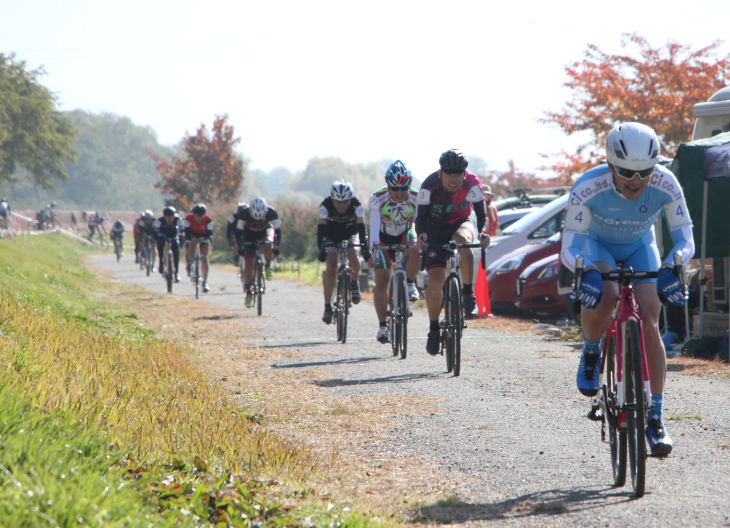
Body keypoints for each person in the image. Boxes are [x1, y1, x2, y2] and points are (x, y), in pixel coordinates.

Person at [561, 122, 695, 456]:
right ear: (610, 166)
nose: (636, 181)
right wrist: (586, 269)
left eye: (644, 172)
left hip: (639, 246)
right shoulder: (588, 186)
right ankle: (592, 350)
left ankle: (655, 416)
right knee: (606, 294)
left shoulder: (666, 183)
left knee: (650, 315)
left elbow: (686, 239)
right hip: (598, 246)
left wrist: (672, 265)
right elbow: (569, 248)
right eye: (626, 172)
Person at [415, 149, 490, 355]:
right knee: (436, 280)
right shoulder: (429, 185)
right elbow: (420, 217)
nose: (453, 178)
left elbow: (480, 213)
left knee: (464, 241)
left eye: (458, 173)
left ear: (464, 173)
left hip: (460, 223)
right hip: (433, 228)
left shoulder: (472, 183)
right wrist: (421, 234)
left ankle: (467, 294)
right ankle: (433, 329)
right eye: (449, 173)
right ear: (441, 173)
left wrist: (482, 233)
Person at [368, 160, 421, 344]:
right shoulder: (377, 198)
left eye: (404, 188)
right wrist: (372, 251)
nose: (400, 193)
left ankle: (410, 283)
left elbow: (421, 225)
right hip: (383, 237)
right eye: (395, 188)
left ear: (409, 185)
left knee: (416, 247)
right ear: (388, 186)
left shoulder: (417, 197)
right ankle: (383, 325)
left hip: (406, 233)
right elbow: (374, 228)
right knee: (382, 278)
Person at [318, 180, 371, 324]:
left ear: (350, 199)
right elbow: (321, 230)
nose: (342, 205)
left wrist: (365, 247)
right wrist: (321, 247)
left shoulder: (357, 205)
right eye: (338, 202)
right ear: (332, 199)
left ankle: (354, 283)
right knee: (331, 265)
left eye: (345, 202)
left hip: (351, 234)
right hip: (331, 236)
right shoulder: (325, 206)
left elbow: (362, 228)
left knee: (353, 253)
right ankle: (328, 307)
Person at [229, 198, 281, 308]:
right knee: (249, 262)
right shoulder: (244, 214)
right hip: (248, 234)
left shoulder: (272, 212)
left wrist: (276, 246)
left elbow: (278, 230)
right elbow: (239, 232)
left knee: (268, 241)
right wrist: (241, 246)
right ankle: (248, 292)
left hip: (265, 231)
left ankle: (268, 264)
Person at [183, 203, 214, 293]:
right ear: (194, 214)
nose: (199, 218)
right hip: (192, 235)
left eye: (202, 215)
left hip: (203, 236)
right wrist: (192, 239)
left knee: (204, 257)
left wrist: (203, 239)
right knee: (192, 245)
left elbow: (209, 234)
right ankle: (189, 261)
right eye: (197, 215)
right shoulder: (188, 218)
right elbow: (186, 232)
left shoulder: (208, 220)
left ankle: (205, 282)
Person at [155, 206, 184, 282]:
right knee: (160, 241)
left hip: (173, 235)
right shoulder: (160, 220)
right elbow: (155, 231)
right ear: (164, 216)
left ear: (174, 216)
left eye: (171, 217)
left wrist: (183, 236)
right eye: (167, 217)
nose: (169, 219)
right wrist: (155, 238)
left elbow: (182, 229)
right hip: (163, 234)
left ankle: (176, 273)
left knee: (176, 246)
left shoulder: (178, 219)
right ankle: (161, 260)